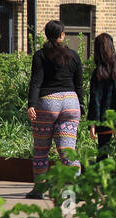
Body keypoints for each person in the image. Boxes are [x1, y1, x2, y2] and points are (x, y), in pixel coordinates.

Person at [26, 20, 84, 199]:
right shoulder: (73, 56)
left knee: (41, 149)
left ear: (46, 35)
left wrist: (31, 104)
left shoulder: (41, 55)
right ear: (62, 35)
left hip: (47, 102)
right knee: (67, 150)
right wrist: (80, 105)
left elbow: (36, 82)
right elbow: (79, 84)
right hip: (71, 102)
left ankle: (40, 190)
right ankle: (75, 189)